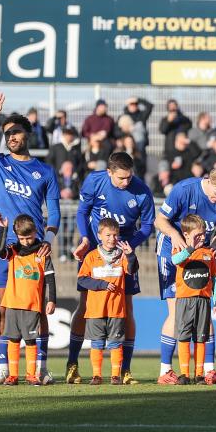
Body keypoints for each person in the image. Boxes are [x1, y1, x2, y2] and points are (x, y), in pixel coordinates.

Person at [67, 152, 155, 385]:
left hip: (122, 253)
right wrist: (86, 239)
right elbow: (82, 212)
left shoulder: (142, 191)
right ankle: (72, 363)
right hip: (95, 250)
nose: (126, 182)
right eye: (121, 179)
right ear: (109, 173)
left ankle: (124, 369)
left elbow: (147, 227)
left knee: (126, 307)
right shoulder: (94, 181)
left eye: (129, 177)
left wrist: (129, 247)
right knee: (86, 304)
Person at [0, 93, 61, 385]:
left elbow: (55, 210)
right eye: (6, 133)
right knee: (2, 307)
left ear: (27, 134)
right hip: (4, 248)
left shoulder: (44, 170)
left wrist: (48, 237)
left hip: (33, 248)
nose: (10, 137)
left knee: (39, 309)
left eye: (15, 132)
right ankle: (3, 366)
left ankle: (42, 367)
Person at [154, 165, 216, 385]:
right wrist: (175, 236)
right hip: (173, 254)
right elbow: (159, 221)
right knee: (176, 312)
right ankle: (166, 370)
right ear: (209, 180)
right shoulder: (184, 189)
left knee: (205, 310)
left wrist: (214, 248)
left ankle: (208, 370)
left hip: (200, 256)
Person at [76, 218, 138, 385]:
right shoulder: (91, 256)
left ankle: (115, 375)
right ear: (99, 236)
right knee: (96, 343)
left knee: (115, 343)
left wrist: (130, 255)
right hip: (96, 310)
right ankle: (97, 375)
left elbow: (132, 270)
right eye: (108, 235)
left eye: (115, 235)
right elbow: (82, 280)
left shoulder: (122, 255)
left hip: (116, 309)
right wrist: (101, 284)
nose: (112, 238)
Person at [0, 214, 56, 385]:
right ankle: (12, 375)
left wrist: (51, 299)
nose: (25, 242)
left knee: (30, 340)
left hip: (32, 305)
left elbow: (51, 277)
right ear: (17, 236)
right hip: (12, 303)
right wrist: (3, 229)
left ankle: (31, 374)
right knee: (13, 339)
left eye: (29, 238)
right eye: (22, 238)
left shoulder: (42, 252)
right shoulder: (13, 251)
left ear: (36, 232)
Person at [170, 214, 216, 385]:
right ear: (186, 235)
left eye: (204, 234)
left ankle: (199, 374)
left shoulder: (208, 253)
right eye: (197, 235)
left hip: (203, 301)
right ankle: (184, 373)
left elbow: (215, 278)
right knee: (184, 336)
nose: (202, 237)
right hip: (185, 300)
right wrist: (190, 248)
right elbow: (175, 261)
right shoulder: (181, 250)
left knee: (201, 337)